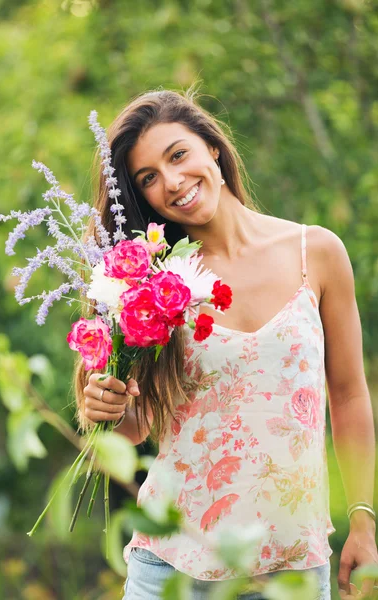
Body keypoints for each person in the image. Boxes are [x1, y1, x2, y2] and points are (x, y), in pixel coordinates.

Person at [77, 88, 378, 600]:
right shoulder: (153, 281)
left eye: (178, 155)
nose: (173, 182)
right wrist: (102, 408)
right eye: (148, 178)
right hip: (172, 568)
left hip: (292, 569)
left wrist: (364, 523)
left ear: (212, 147)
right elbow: (136, 428)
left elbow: (349, 396)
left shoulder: (317, 252)